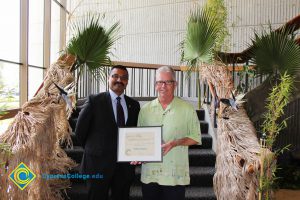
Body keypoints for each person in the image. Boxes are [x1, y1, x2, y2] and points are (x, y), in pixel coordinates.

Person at [75, 65, 140, 200]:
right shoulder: (95, 101)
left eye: (123, 78)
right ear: (109, 79)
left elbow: (135, 133)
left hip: (124, 167)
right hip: (97, 165)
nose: (119, 80)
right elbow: (80, 131)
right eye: (115, 76)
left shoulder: (134, 105)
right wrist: (94, 149)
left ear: (127, 82)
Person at [136, 66, 201, 200]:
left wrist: (175, 143)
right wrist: (137, 153)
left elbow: (195, 138)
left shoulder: (187, 109)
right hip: (150, 175)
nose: (163, 86)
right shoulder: (145, 110)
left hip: (174, 177)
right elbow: (140, 139)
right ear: (155, 85)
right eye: (160, 82)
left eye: (168, 82)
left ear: (175, 84)